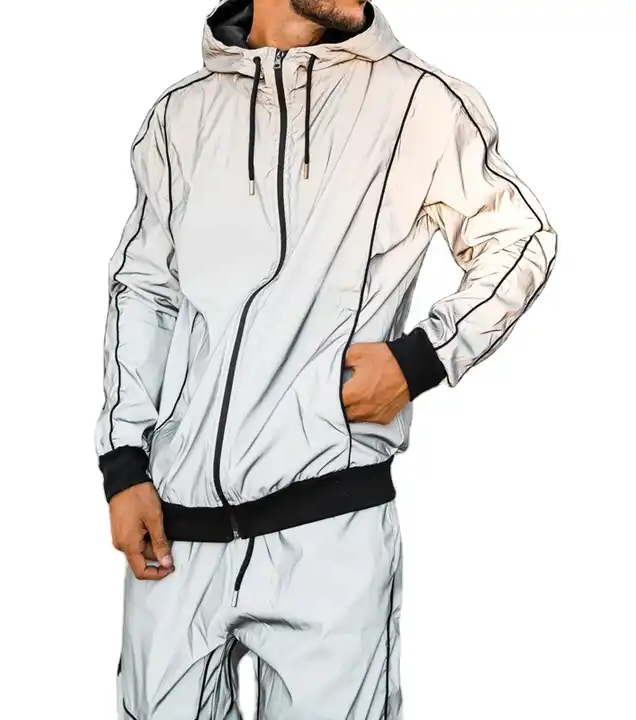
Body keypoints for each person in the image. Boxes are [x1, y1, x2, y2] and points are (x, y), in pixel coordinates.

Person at [95, 0, 557, 717]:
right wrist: (124, 465)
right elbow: (145, 293)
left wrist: (421, 359)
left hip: (329, 530)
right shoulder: (180, 116)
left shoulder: (418, 102)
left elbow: (519, 239)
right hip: (177, 537)